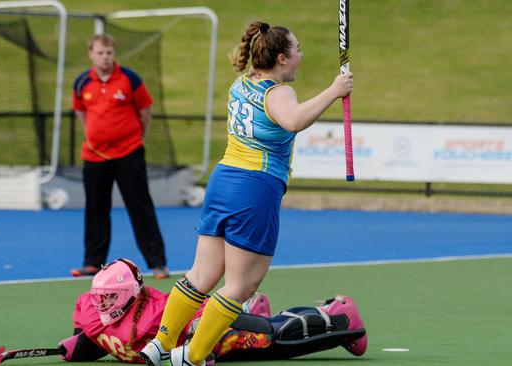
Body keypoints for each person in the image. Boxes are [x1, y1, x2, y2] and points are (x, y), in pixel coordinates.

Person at [140, 20, 355, 366]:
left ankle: (159, 345)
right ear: (282, 58)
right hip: (254, 187)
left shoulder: (241, 83)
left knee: (200, 275)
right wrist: (335, 89)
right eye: (297, 49)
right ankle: (192, 357)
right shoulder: (279, 92)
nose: (301, 55)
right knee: (241, 285)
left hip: (223, 180)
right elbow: (294, 121)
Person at [48, 259, 367, 365]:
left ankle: (338, 315)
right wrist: (74, 348)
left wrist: (202, 332)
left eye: (109, 298)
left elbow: (205, 310)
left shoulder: (158, 309)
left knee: (272, 339)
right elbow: (90, 340)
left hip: (208, 332)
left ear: (129, 295)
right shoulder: (89, 309)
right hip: (191, 352)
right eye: (99, 297)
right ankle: (251, 307)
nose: (100, 304)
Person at [70, 34, 169, 279]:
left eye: (109, 53)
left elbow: (145, 113)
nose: (105, 57)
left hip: (129, 154)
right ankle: (92, 262)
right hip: (94, 158)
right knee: (96, 209)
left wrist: (133, 137)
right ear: (91, 54)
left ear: (114, 54)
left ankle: (157, 263)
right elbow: (81, 113)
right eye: (100, 53)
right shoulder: (82, 83)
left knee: (140, 207)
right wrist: (96, 134)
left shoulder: (129, 79)